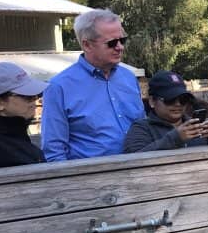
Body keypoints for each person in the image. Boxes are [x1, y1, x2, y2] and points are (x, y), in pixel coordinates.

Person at [41, 9, 145, 161]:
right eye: (111, 43)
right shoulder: (59, 87)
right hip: (92, 178)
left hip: (140, 170)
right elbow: (54, 150)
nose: (120, 47)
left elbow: (143, 128)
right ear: (87, 45)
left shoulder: (129, 78)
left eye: (122, 40)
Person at [123, 70, 208, 152]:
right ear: (152, 101)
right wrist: (176, 138)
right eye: (170, 99)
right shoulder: (141, 128)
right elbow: (134, 158)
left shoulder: (197, 125)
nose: (178, 104)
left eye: (183, 99)